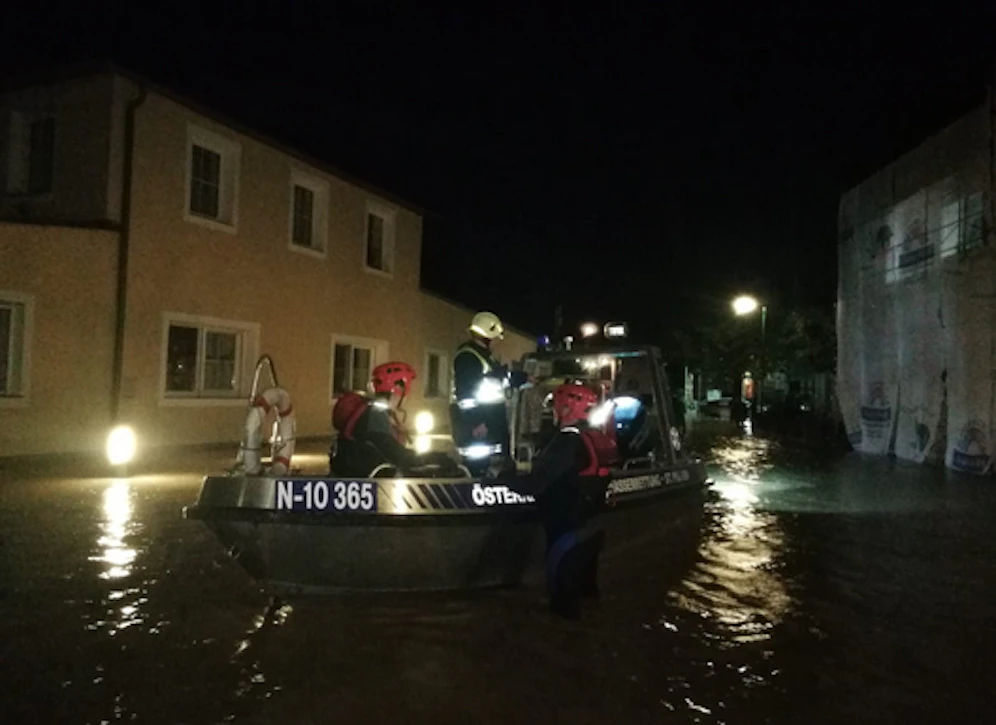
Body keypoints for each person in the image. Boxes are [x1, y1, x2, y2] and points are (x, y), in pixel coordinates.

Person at [492, 382, 617, 619]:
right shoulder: (591, 436)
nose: (552, 411)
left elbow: (537, 484)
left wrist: (502, 480)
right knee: (587, 595)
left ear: (568, 408)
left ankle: (567, 642)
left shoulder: (565, 443)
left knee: (562, 601)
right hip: (591, 526)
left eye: (556, 406)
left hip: (566, 530)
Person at [330, 361, 451, 477]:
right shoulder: (377, 415)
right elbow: (398, 456)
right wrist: (434, 458)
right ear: (398, 389)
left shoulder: (373, 410)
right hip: (368, 485)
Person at [450, 311, 527, 473]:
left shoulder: (484, 357)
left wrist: (523, 378)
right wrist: (476, 421)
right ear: (487, 337)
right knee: (479, 472)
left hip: (490, 420)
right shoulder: (468, 358)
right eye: (495, 339)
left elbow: (496, 381)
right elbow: (465, 395)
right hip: (479, 426)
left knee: (495, 468)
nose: (497, 343)